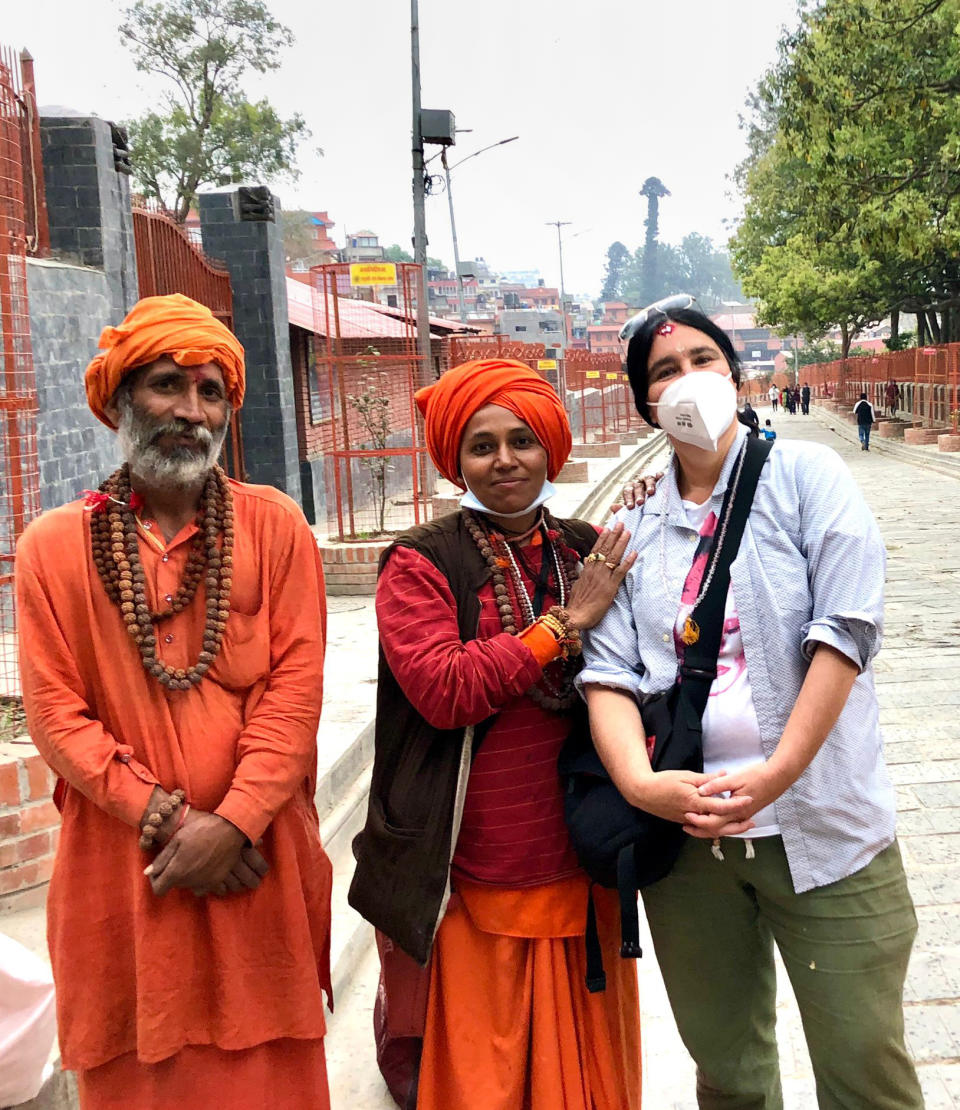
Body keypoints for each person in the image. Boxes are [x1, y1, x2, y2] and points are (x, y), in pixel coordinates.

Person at [578, 296, 922, 1110]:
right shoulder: (633, 533)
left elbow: (844, 631)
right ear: (644, 405)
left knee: (864, 1064)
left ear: (734, 375)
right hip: (691, 847)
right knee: (729, 1072)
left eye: (703, 360)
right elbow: (609, 673)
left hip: (826, 829)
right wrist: (637, 785)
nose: (688, 380)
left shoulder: (808, 479)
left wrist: (780, 772)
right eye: (665, 372)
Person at [16, 294, 333, 1109]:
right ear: (121, 401)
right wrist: (167, 817)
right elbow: (55, 716)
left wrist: (231, 827)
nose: (190, 413)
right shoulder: (53, 547)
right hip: (131, 874)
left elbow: (295, 696)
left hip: (255, 868)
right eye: (166, 385)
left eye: (211, 393)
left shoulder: (276, 527)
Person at [350, 358, 645, 1110]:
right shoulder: (421, 561)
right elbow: (445, 689)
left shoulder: (584, 549)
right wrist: (563, 627)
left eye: (522, 440)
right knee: (488, 1070)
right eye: (482, 446)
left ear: (552, 448)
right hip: (472, 860)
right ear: (457, 462)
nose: (505, 460)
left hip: (582, 846)